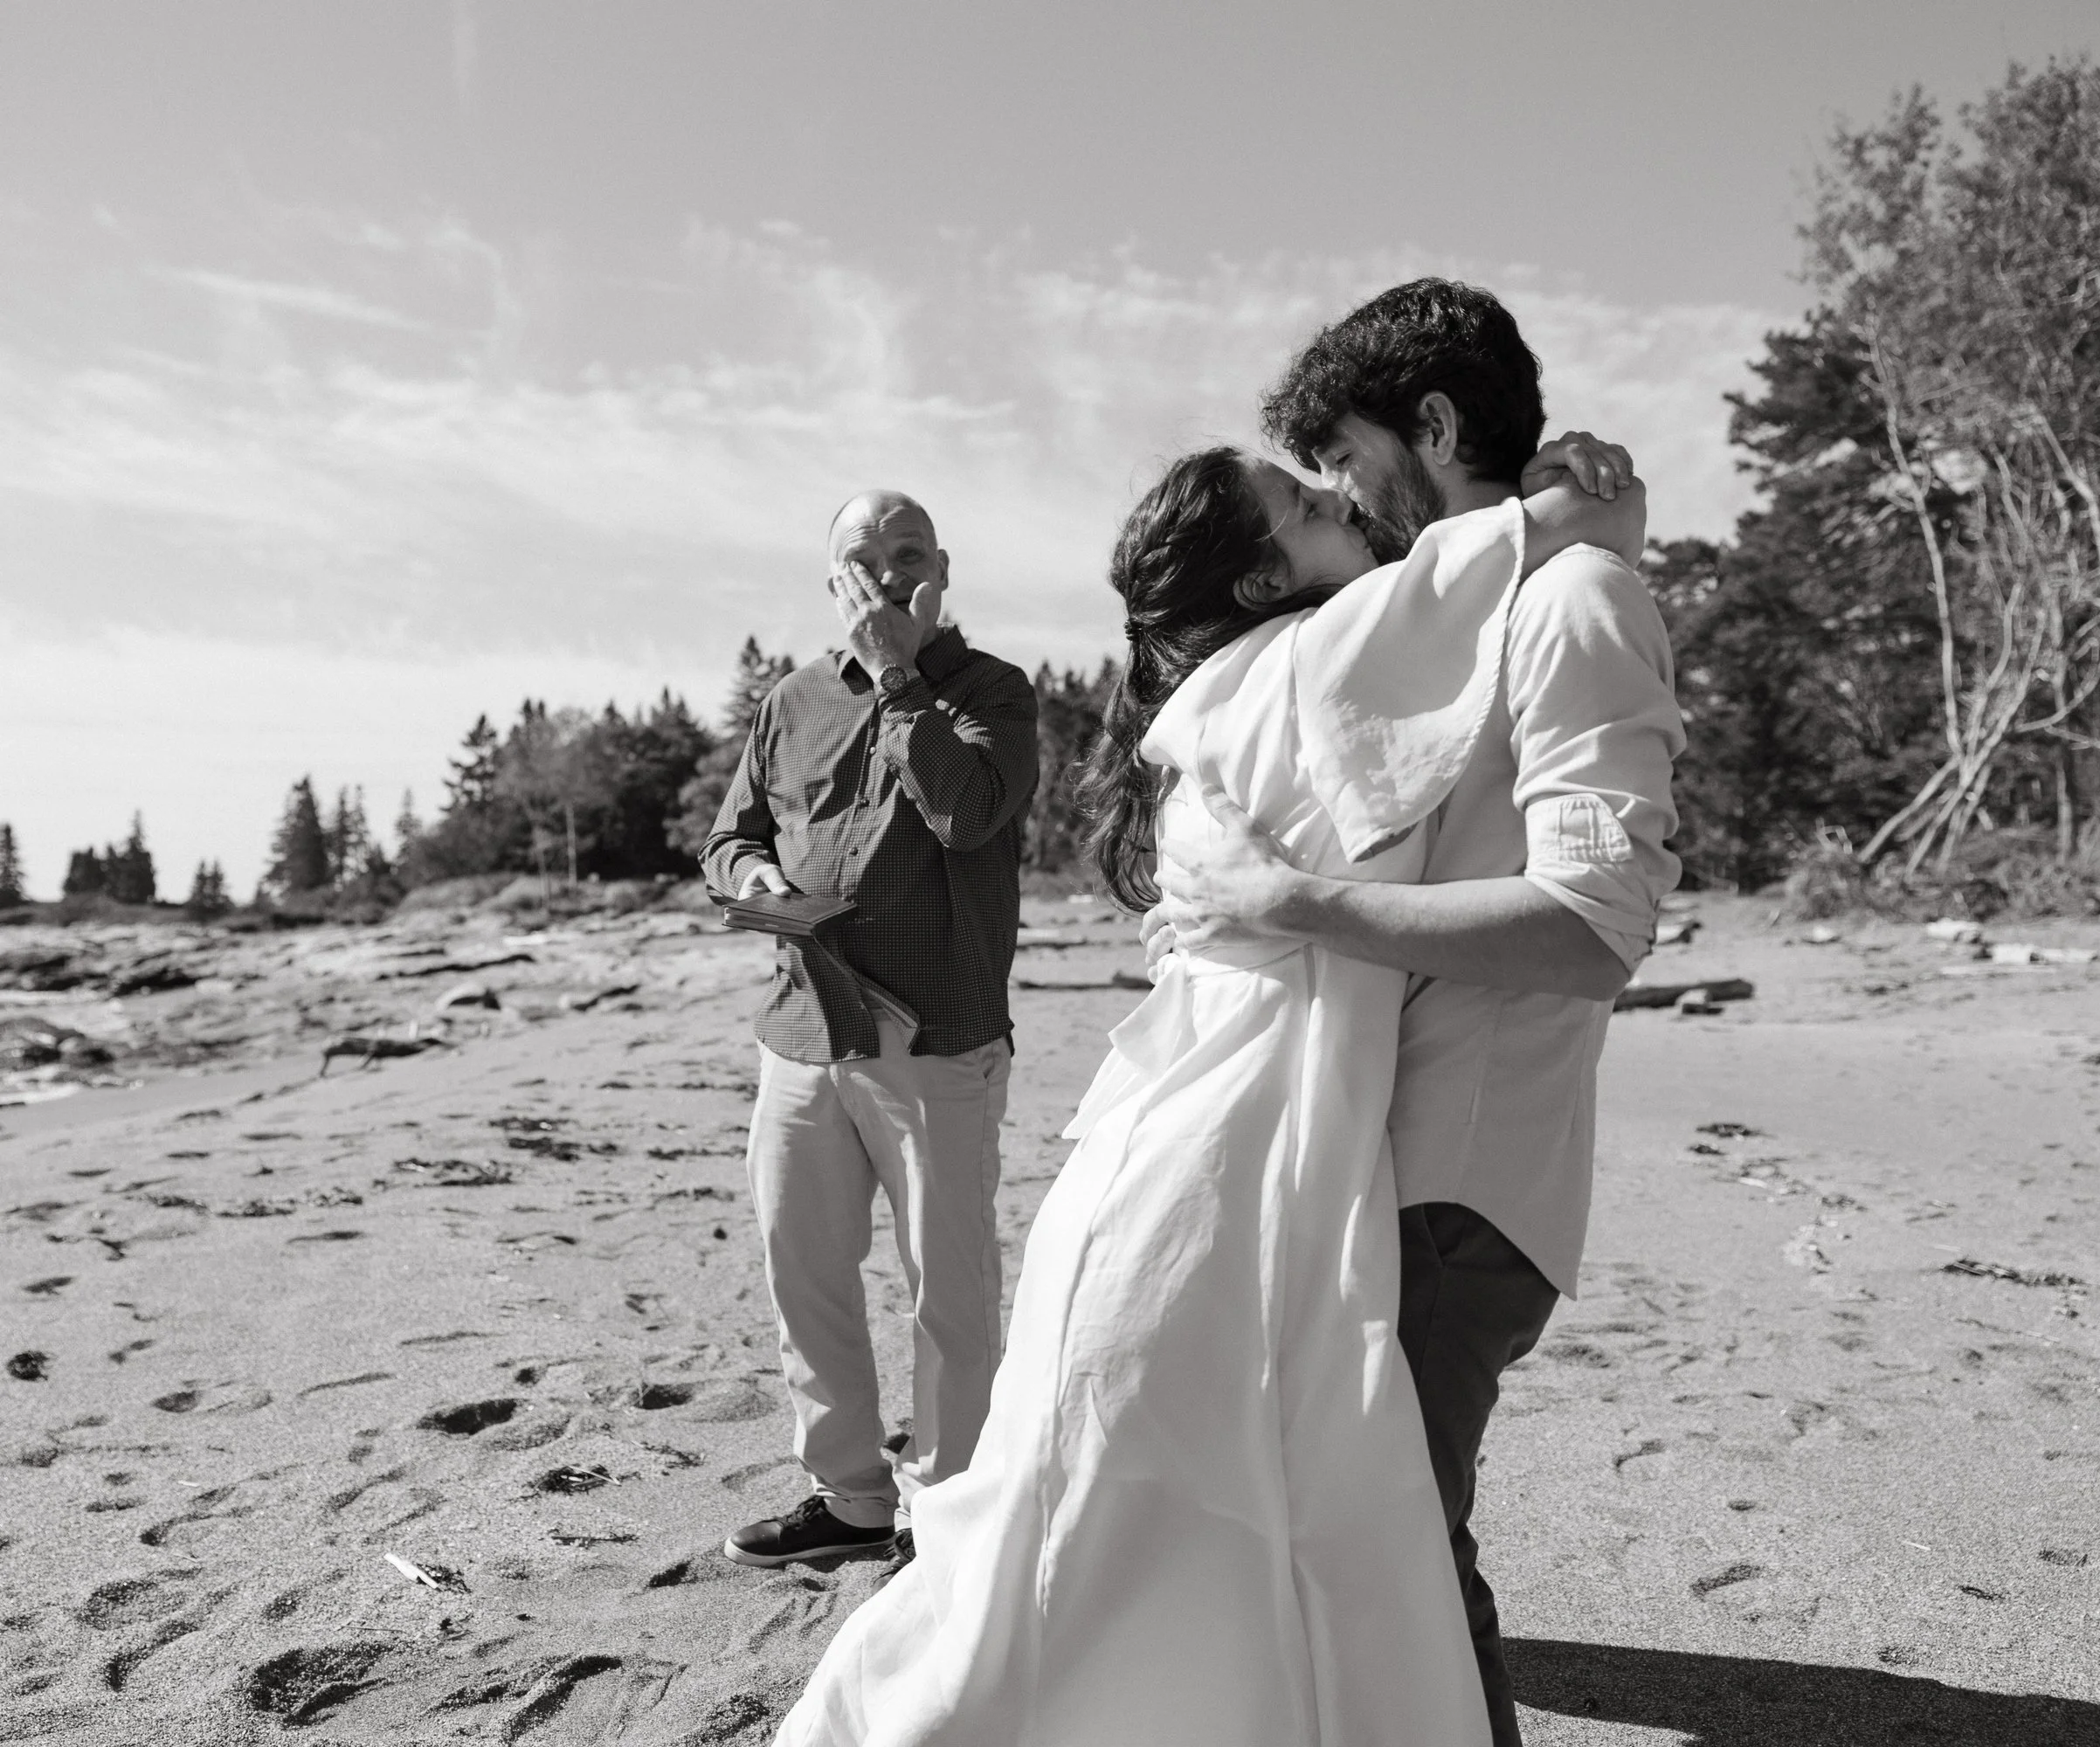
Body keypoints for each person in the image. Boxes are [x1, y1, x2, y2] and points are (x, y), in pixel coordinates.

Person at [772, 438, 1643, 1745]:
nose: (1339, 501)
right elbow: (1499, 556)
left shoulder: (1241, 685)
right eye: (1301, 504)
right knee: (1121, 1525)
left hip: (1214, 1157)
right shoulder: (1303, 663)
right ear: (1250, 582)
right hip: (1212, 1173)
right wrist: (1584, 506)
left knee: (1138, 1520)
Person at [1153, 279, 1685, 1747]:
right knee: (1357, 1565)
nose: (1339, 495)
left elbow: (1594, 926)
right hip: (1384, 1170)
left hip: (1458, 1189)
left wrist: (1294, 908)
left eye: (1348, 458)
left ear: (1433, 426)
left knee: (1399, 1579)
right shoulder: (1460, 607)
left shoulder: (1574, 601)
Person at [704, 489, 1040, 1571]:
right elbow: (730, 839)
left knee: (947, 1287)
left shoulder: (993, 690)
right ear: (832, 576)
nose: (886, 573)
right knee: (802, 1268)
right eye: (864, 557)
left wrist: (899, 675)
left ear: (941, 567)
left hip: (936, 1036)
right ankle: (848, 1496)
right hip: (802, 1030)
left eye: (907, 554)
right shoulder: (789, 699)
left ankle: (946, 1509)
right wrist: (755, 875)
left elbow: (966, 812)